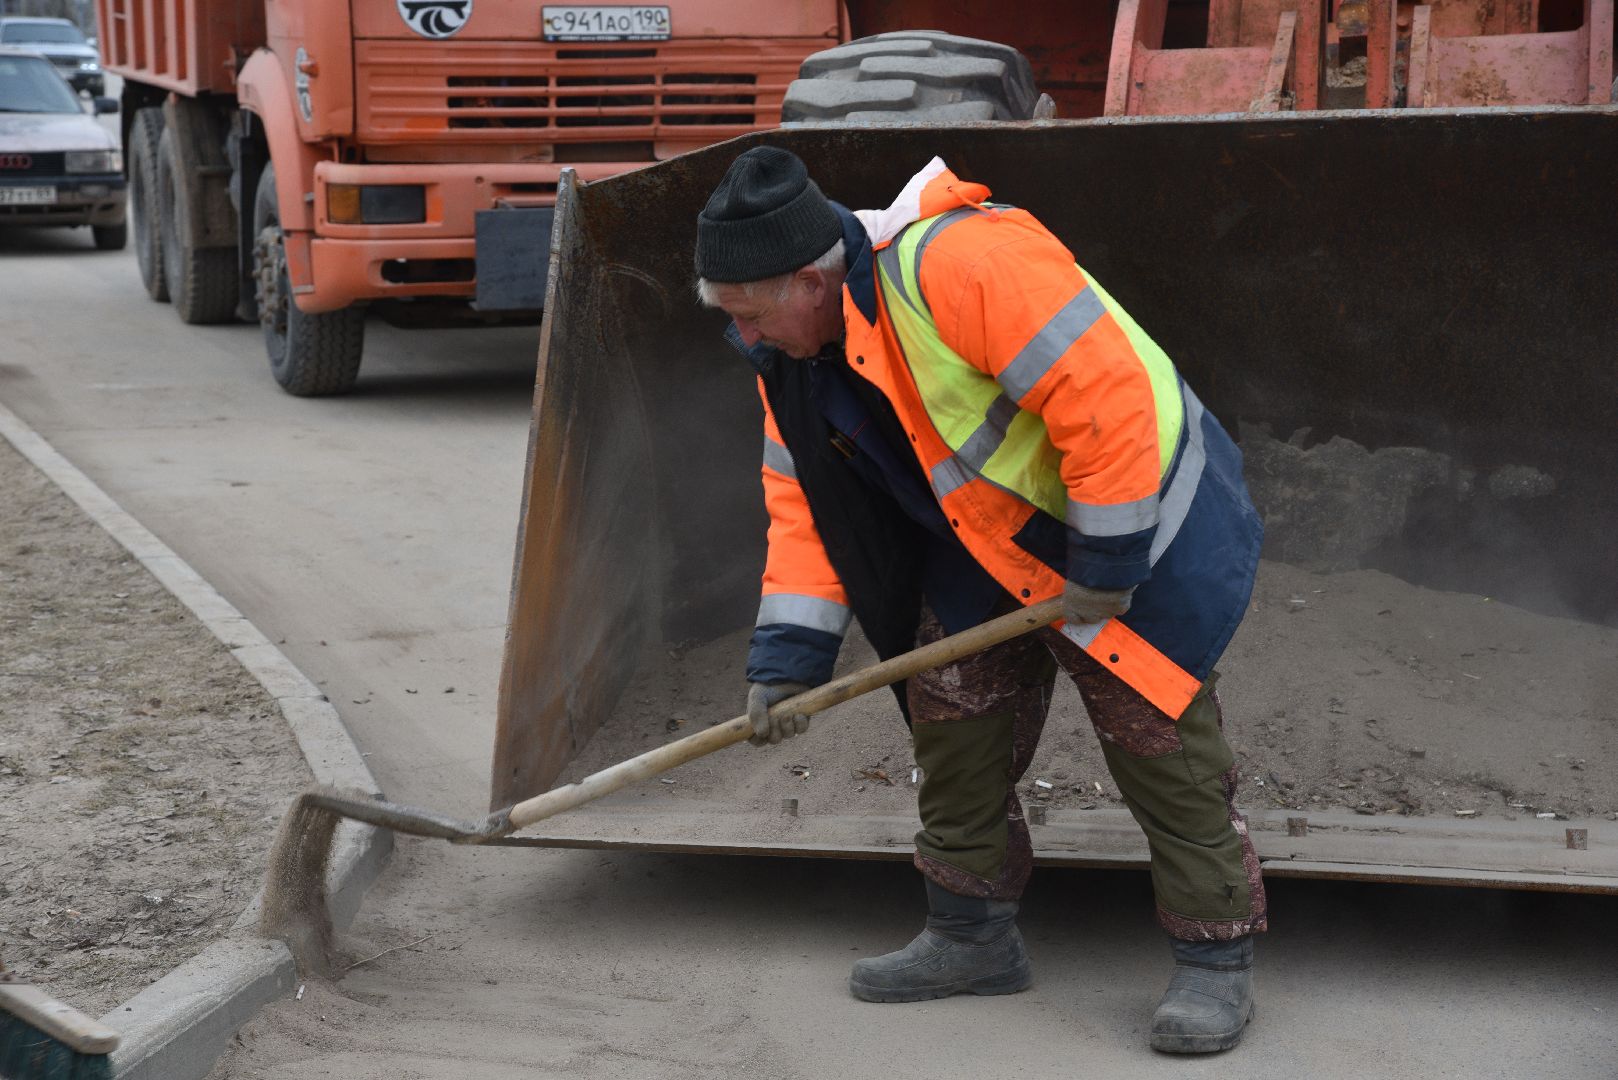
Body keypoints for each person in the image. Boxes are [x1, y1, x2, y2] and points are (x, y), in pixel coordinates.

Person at [695, 146, 1266, 1055]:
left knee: (1159, 738)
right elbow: (806, 516)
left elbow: (1107, 395)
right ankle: (970, 937)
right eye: (732, 323)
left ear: (810, 280)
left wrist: (1109, 554)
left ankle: (1213, 963)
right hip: (978, 538)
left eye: (751, 317)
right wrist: (786, 667)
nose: (747, 341)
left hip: (1123, 513)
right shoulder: (790, 367)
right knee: (953, 720)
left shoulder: (964, 263)